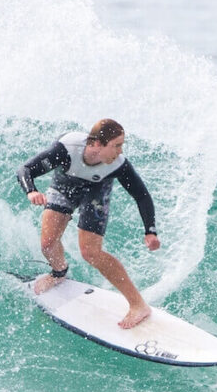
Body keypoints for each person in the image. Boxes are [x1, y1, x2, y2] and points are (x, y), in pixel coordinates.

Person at [16, 119, 160, 329]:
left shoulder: (118, 164)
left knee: (91, 252)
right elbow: (25, 169)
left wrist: (150, 230)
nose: (120, 152)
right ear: (97, 144)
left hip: (96, 191)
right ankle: (58, 273)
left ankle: (139, 305)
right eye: (116, 145)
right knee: (47, 244)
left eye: (122, 146)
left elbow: (142, 195)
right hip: (65, 186)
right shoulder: (66, 149)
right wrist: (31, 191)